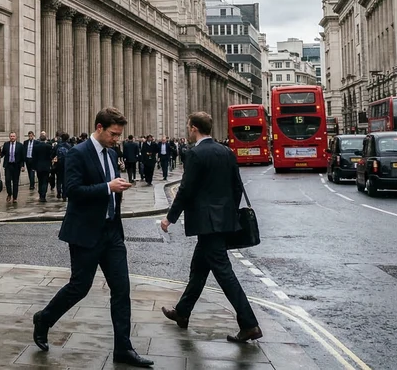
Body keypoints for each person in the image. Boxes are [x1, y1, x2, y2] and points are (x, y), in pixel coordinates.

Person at [31, 108, 152, 368]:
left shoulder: (110, 153)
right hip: (86, 232)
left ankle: (123, 348)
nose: (116, 139)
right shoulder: (78, 153)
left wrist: (115, 188)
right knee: (80, 287)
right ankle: (44, 318)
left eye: (119, 135)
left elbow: (108, 187)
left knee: (122, 289)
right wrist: (108, 187)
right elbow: (72, 190)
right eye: (113, 134)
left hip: (111, 232)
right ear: (99, 127)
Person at [161, 112, 261, 344]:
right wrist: (227, 212)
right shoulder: (226, 151)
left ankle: (249, 324)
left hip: (207, 224)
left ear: (194, 128)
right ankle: (183, 312)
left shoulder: (195, 154)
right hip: (223, 221)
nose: (188, 129)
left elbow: (186, 190)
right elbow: (237, 187)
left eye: (188, 126)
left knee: (224, 274)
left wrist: (170, 218)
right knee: (199, 268)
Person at [0, 132, 23, 202]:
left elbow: (22, 156)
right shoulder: (6, 144)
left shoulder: (20, 145)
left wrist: (22, 166)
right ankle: (9, 193)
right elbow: (2, 154)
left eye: (13, 136)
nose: (12, 137)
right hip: (8, 165)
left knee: (15, 182)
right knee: (7, 180)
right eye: (11, 136)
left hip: (16, 166)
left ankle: (15, 197)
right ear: (9, 137)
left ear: (16, 137)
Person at [33, 132, 54, 202]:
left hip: (38, 166)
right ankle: (43, 195)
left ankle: (40, 193)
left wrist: (34, 166)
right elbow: (51, 156)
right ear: (46, 139)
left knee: (40, 181)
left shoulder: (36, 147)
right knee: (45, 181)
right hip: (46, 166)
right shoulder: (48, 146)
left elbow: (34, 157)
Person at [54, 133, 71, 200]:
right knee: (65, 180)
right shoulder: (69, 146)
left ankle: (58, 192)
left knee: (58, 179)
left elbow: (53, 154)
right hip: (66, 164)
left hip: (58, 164)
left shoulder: (58, 145)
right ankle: (64, 194)